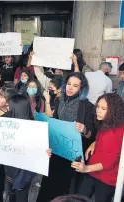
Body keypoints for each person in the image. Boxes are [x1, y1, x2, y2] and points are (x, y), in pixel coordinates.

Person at [37, 72, 95, 202]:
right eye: (69, 84)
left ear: (81, 88)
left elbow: (92, 134)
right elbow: (56, 121)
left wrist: (85, 130)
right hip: (57, 149)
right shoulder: (60, 100)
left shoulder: (88, 106)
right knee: (49, 183)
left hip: (72, 154)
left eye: (75, 85)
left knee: (66, 187)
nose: (70, 88)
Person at [71, 93, 124, 202]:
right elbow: (104, 139)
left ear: (114, 111)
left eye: (103, 108)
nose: (98, 111)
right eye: (98, 107)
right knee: (80, 197)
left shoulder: (115, 132)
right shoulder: (109, 122)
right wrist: (95, 143)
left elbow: (108, 162)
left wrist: (85, 168)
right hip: (94, 171)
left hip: (107, 178)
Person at [0, 94, 52, 202]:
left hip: (24, 171)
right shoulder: (4, 119)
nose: (8, 108)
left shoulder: (34, 127)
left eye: (10, 106)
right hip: (10, 167)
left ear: (18, 108)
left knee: (21, 195)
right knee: (11, 193)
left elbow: (39, 149)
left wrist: (45, 152)